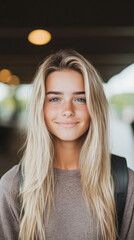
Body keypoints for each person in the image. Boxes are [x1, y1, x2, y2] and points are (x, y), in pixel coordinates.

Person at [0, 49, 134, 240]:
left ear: (94, 107)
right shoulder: (12, 185)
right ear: (41, 108)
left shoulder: (125, 184)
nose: (67, 110)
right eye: (55, 99)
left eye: (80, 99)